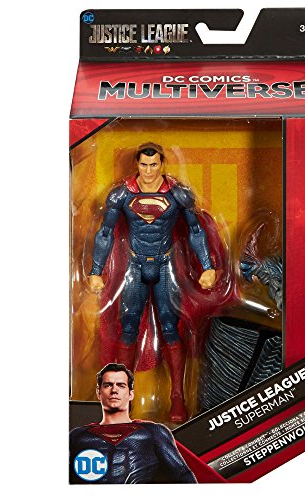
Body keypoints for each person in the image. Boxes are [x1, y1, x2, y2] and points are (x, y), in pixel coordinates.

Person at [88, 142, 216, 423]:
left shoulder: (177, 194)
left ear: (162, 164)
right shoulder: (122, 193)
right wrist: (96, 270)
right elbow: (105, 232)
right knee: (129, 326)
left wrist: (208, 266)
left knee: (170, 327)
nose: (148, 171)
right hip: (135, 264)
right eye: (144, 165)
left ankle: (178, 396)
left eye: (153, 165)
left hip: (165, 263)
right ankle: (122, 400)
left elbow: (195, 230)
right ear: (137, 164)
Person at [69, 363, 197, 484]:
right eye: (107, 385)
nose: (114, 390)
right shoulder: (77, 436)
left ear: (131, 394)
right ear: (98, 393)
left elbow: (184, 478)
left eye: (121, 385)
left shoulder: (153, 432)